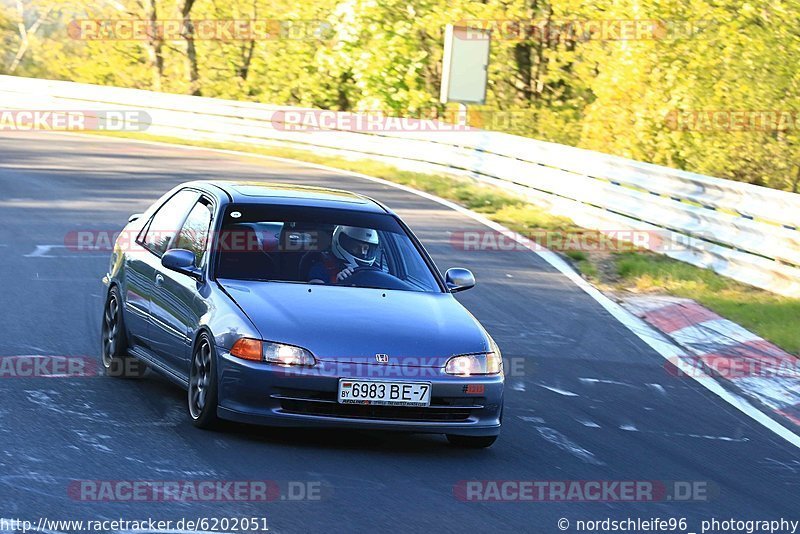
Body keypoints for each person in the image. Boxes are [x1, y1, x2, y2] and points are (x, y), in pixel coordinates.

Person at [307, 226, 380, 284]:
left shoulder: (376, 270)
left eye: (366, 248)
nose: (363, 253)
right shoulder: (322, 268)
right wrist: (339, 283)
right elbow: (315, 295)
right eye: (356, 247)